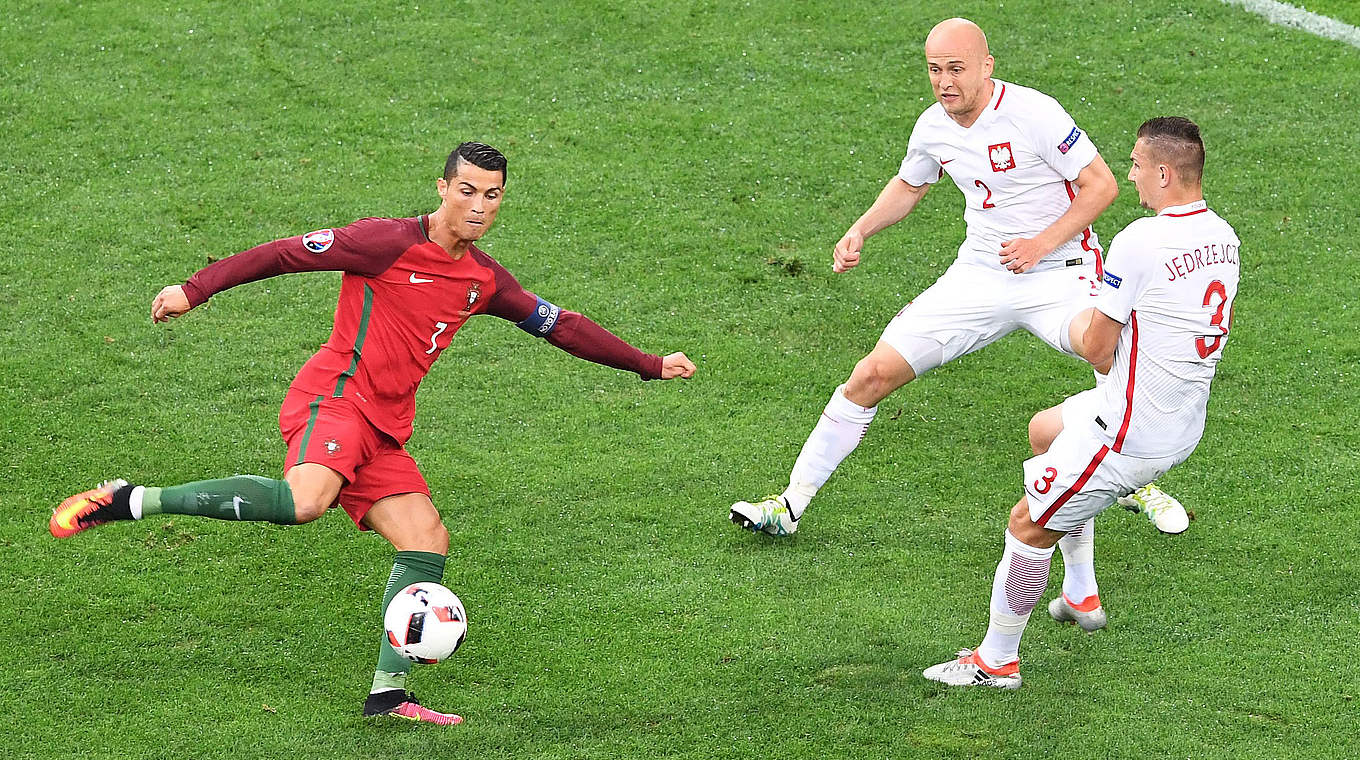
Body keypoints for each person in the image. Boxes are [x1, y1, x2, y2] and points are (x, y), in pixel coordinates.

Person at [51, 142, 697, 724]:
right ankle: (130, 498)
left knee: (426, 539)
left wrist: (648, 365)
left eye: (492, 195)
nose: (477, 206)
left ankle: (390, 693)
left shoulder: (484, 281)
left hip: (382, 433)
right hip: (333, 401)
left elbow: (560, 325)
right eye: (466, 190)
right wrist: (194, 290)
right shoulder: (383, 243)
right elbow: (282, 254)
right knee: (305, 502)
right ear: (441, 189)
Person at [729, 17, 1189, 537]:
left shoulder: (1034, 113)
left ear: (986, 66)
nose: (945, 82)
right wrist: (861, 229)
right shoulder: (932, 126)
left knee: (1106, 347)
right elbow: (910, 184)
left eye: (956, 68)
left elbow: (1101, 186)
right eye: (934, 70)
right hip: (980, 275)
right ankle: (788, 506)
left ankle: (1133, 474)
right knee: (870, 376)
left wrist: (1041, 243)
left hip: (1061, 272)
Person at [923, 116, 1239, 688]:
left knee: (1028, 523)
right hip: (1181, 415)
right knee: (1045, 432)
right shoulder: (1224, 235)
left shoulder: (1141, 241)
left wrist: (1093, 302)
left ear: (1164, 172)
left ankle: (996, 662)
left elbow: (1097, 350)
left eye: (1138, 165)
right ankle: (1081, 594)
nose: (1132, 176)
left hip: (1127, 431)